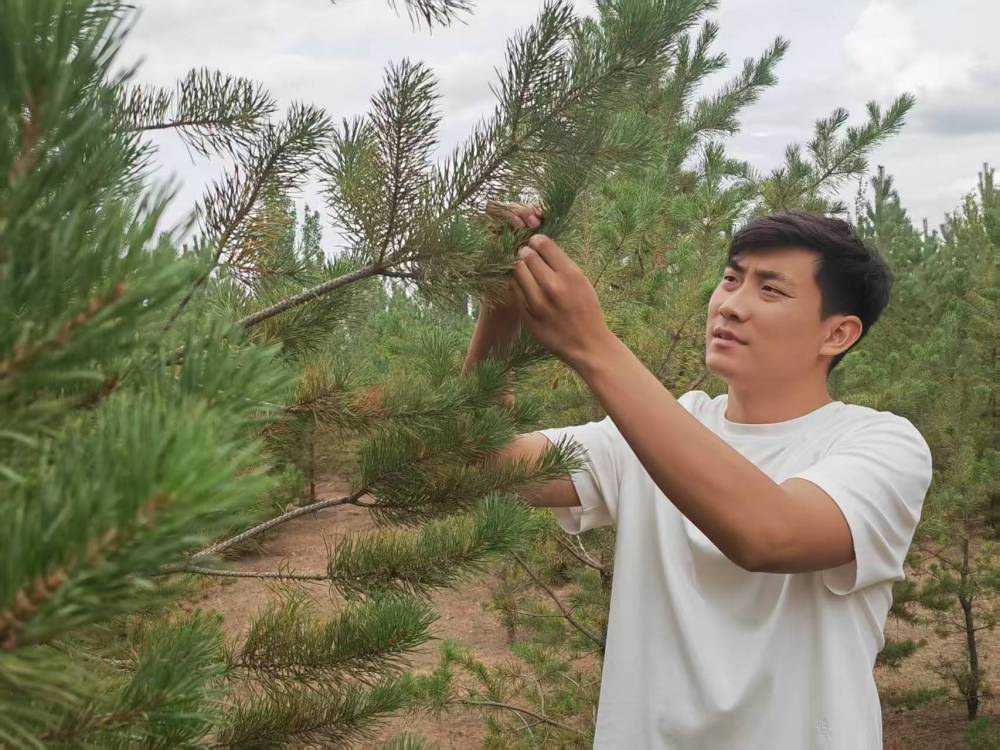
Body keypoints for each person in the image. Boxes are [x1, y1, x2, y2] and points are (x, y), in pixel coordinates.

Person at [462, 204, 934, 750]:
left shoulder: (881, 444)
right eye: (731, 279)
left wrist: (593, 346)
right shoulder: (654, 431)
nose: (731, 305)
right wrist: (501, 305)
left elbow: (769, 534)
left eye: (770, 290)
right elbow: (482, 463)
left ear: (838, 334)